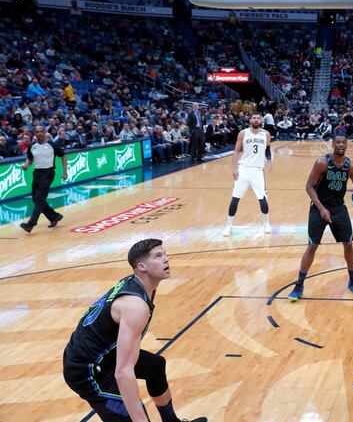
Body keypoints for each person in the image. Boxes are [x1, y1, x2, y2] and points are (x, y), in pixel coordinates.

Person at [62, 239, 207, 422]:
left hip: (102, 356)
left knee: (155, 366)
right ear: (141, 267)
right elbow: (123, 372)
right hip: (87, 371)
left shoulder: (140, 284)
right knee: (134, 416)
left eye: (165, 254)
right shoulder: (135, 305)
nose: (166, 259)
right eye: (158, 256)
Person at [287, 134, 353, 301]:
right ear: (332, 145)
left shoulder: (351, 166)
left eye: (343, 142)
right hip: (319, 208)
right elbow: (309, 187)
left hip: (339, 209)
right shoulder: (322, 163)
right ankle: (299, 285)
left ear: (347, 145)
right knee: (312, 246)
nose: (341, 145)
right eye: (338, 142)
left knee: (348, 243)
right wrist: (321, 209)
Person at [223, 113, 273, 236]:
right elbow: (236, 151)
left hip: (257, 170)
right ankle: (228, 225)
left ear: (261, 120)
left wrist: (269, 161)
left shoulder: (266, 134)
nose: (256, 120)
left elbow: (267, 149)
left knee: (262, 198)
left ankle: (266, 223)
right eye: (254, 118)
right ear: (250, 120)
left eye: (258, 118)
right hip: (243, 169)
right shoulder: (243, 133)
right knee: (235, 198)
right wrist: (234, 169)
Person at [20, 125, 68, 233]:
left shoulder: (52, 145)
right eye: (37, 131)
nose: (40, 133)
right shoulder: (32, 146)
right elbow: (29, 158)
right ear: (35, 133)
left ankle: (30, 224)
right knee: (35, 199)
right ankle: (54, 216)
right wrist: (26, 165)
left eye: (41, 131)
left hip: (48, 173)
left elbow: (63, 156)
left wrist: (65, 172)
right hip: (37, 173)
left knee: (40, 199)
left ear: (44, 132)